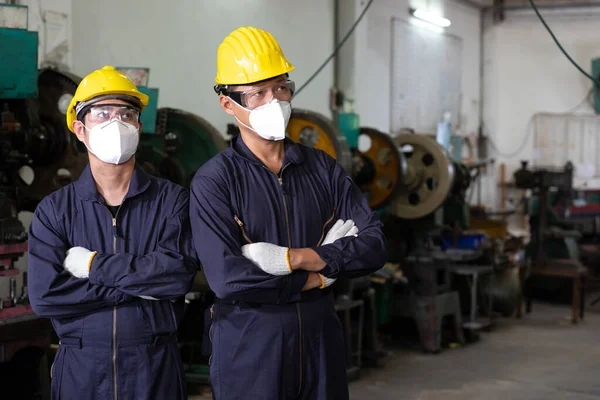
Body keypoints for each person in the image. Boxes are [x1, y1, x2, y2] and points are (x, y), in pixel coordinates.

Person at [189, 27, 387, 400]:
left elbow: (374, 246)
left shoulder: (322, 169)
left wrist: (301, 258)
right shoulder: (214, 181)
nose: (273, 100)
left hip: (319, 341)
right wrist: (317, 278)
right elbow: (228, 279)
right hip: (250, 345)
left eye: (280, 88)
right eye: (257, 93)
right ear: (228, 104)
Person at [27, 66, 198, 400]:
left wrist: (94, 268)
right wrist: (139, 286)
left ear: (138, 125)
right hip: (82, 369)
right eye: (102, 113)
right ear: (80, 129)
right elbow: (45, 296)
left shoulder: (172, 201)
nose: (116, 123)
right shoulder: (55, 210)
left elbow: (177, 280)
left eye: (126, 113)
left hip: (154, 366)